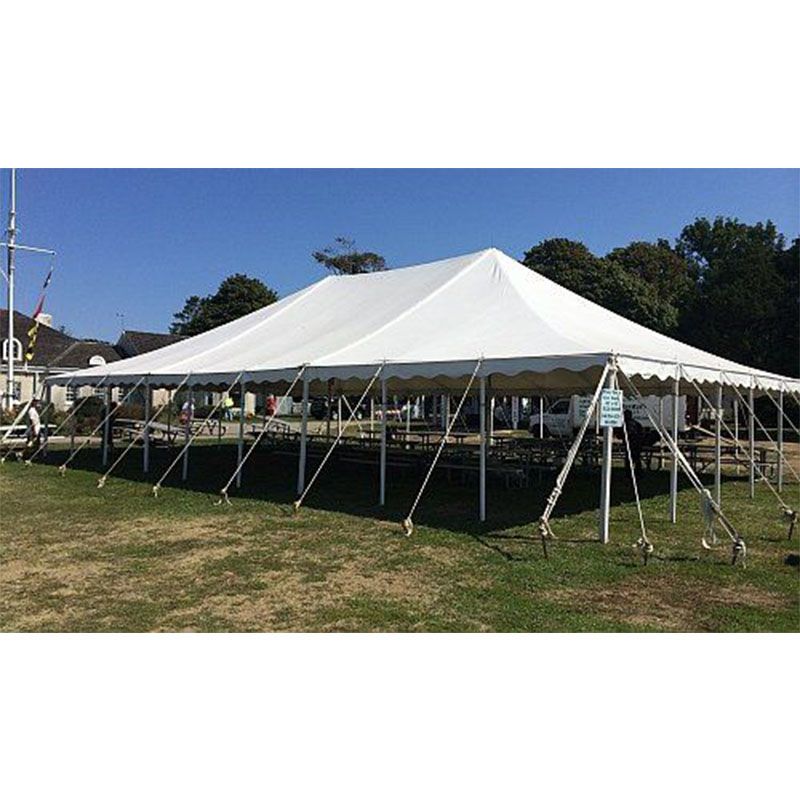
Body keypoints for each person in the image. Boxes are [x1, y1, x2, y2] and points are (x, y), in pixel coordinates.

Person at [623, 409, 645, 474]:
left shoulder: (625, 424)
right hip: (637, 444)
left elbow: (620, 434)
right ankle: (638, 471)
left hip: (630, 444)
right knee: (637, 458)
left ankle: (629, 472)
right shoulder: (636, 423)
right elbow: (642, 433)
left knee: (629, 459)